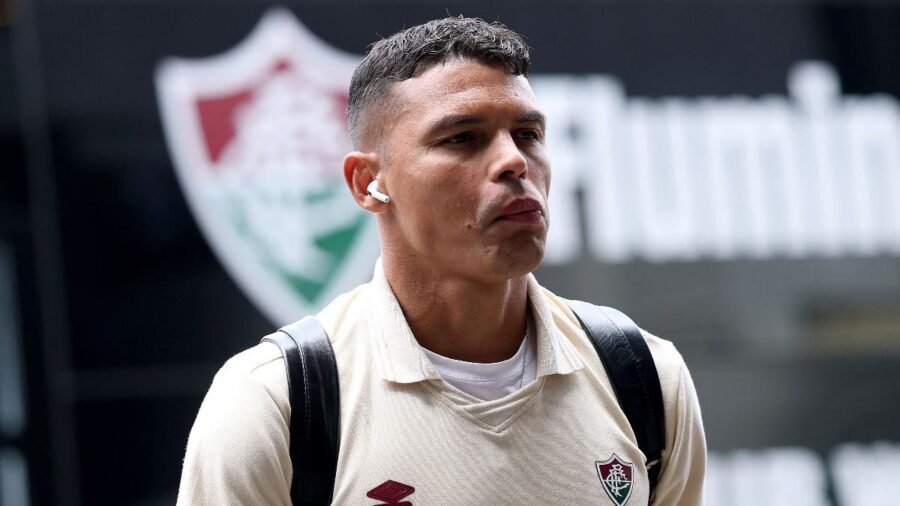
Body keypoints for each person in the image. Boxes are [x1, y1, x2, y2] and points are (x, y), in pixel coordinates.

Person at [177, 16, 706, 505]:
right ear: (368, 183)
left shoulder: (644, 378)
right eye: (462, 138)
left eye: (528, 134)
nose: (514, 161)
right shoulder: (274, 402)